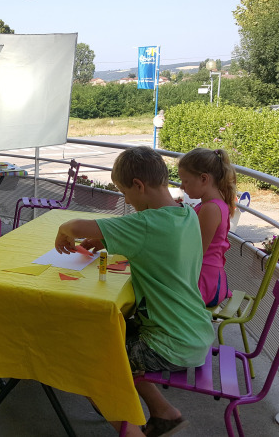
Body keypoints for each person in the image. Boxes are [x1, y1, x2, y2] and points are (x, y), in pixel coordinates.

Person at [54, 146, 214, 437]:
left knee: (87, 365)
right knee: (113, 335)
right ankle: (165, 414)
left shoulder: (146, 223)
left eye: (124, 193)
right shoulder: (186, 214)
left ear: (139, 186)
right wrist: (105, 241)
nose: (125, 200)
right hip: (194, 331)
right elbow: (153, 245)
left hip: (169, 342)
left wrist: (65, 228)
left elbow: (75, 225)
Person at [178, 147, 237, 307]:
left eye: (185, 181)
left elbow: (196, 253)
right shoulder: (211, 205)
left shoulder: (210, 209)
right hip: (208, 277)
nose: (182, 187)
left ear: (204, 179)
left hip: (204, 283)